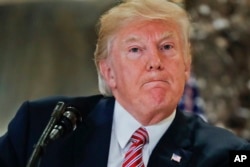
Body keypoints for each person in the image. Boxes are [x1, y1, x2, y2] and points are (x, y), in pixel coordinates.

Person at [0, 0, 249, 167]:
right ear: (109, 72)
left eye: (167, 47)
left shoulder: (228, 153)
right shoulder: (41, 126)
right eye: (135, 49)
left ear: (186, 65)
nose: (155, 61)